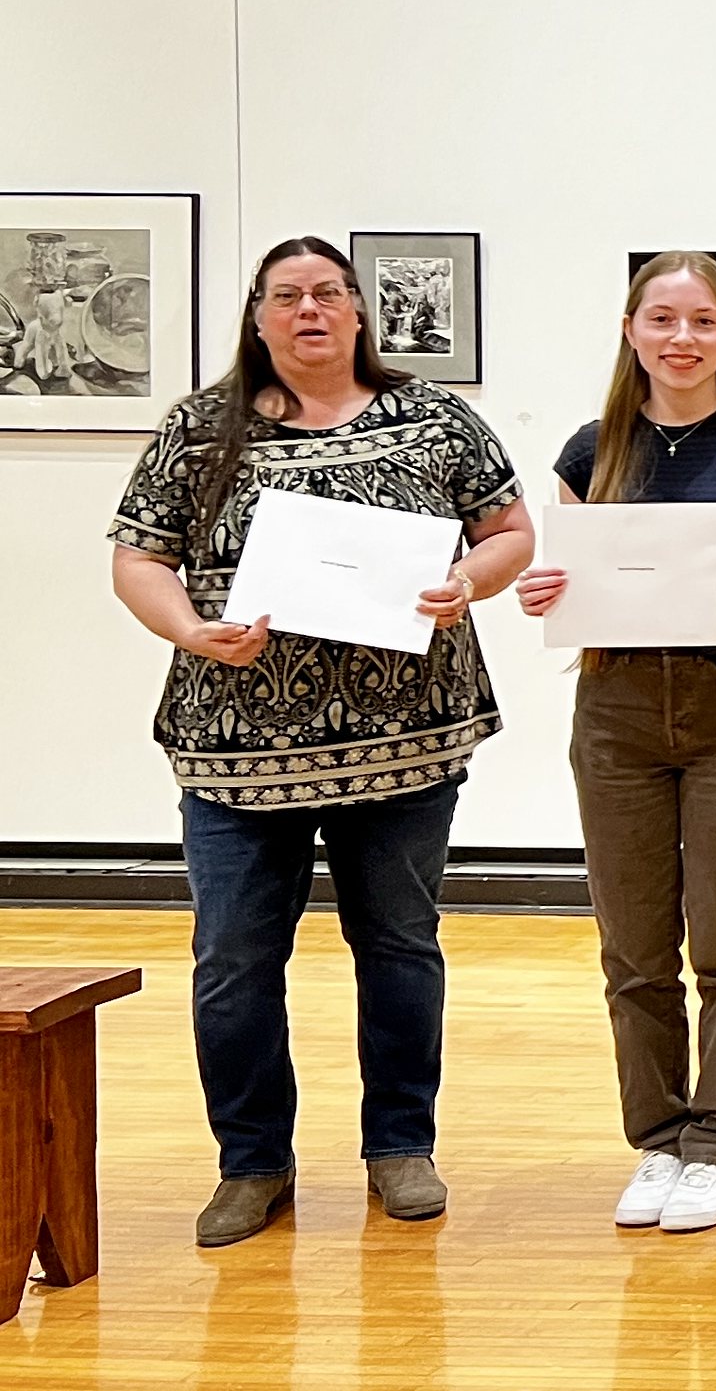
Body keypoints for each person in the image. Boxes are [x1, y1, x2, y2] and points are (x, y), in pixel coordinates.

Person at [106, 237, 533, 1247]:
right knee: (233, 963)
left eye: (330, 294)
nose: (311, 310)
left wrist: (469, 581)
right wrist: (188, 630)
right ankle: (252, 1164)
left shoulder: (433, 418)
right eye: (288, 296)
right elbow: (137, 558)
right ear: (257, 318)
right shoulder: (198, 429)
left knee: (396, 946)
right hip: (235, 749)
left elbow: (509, 533)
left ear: (357, 314)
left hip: (405, 744)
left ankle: (400, 1147)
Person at [511, 252, 716, 1234]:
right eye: (664, 320)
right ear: (631, 330)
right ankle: (656, 1141)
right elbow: (570, 576)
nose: (683, 340)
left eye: (704, 323)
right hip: (616, 709)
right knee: (634, 947)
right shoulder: (586, 447)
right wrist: (543, 592)